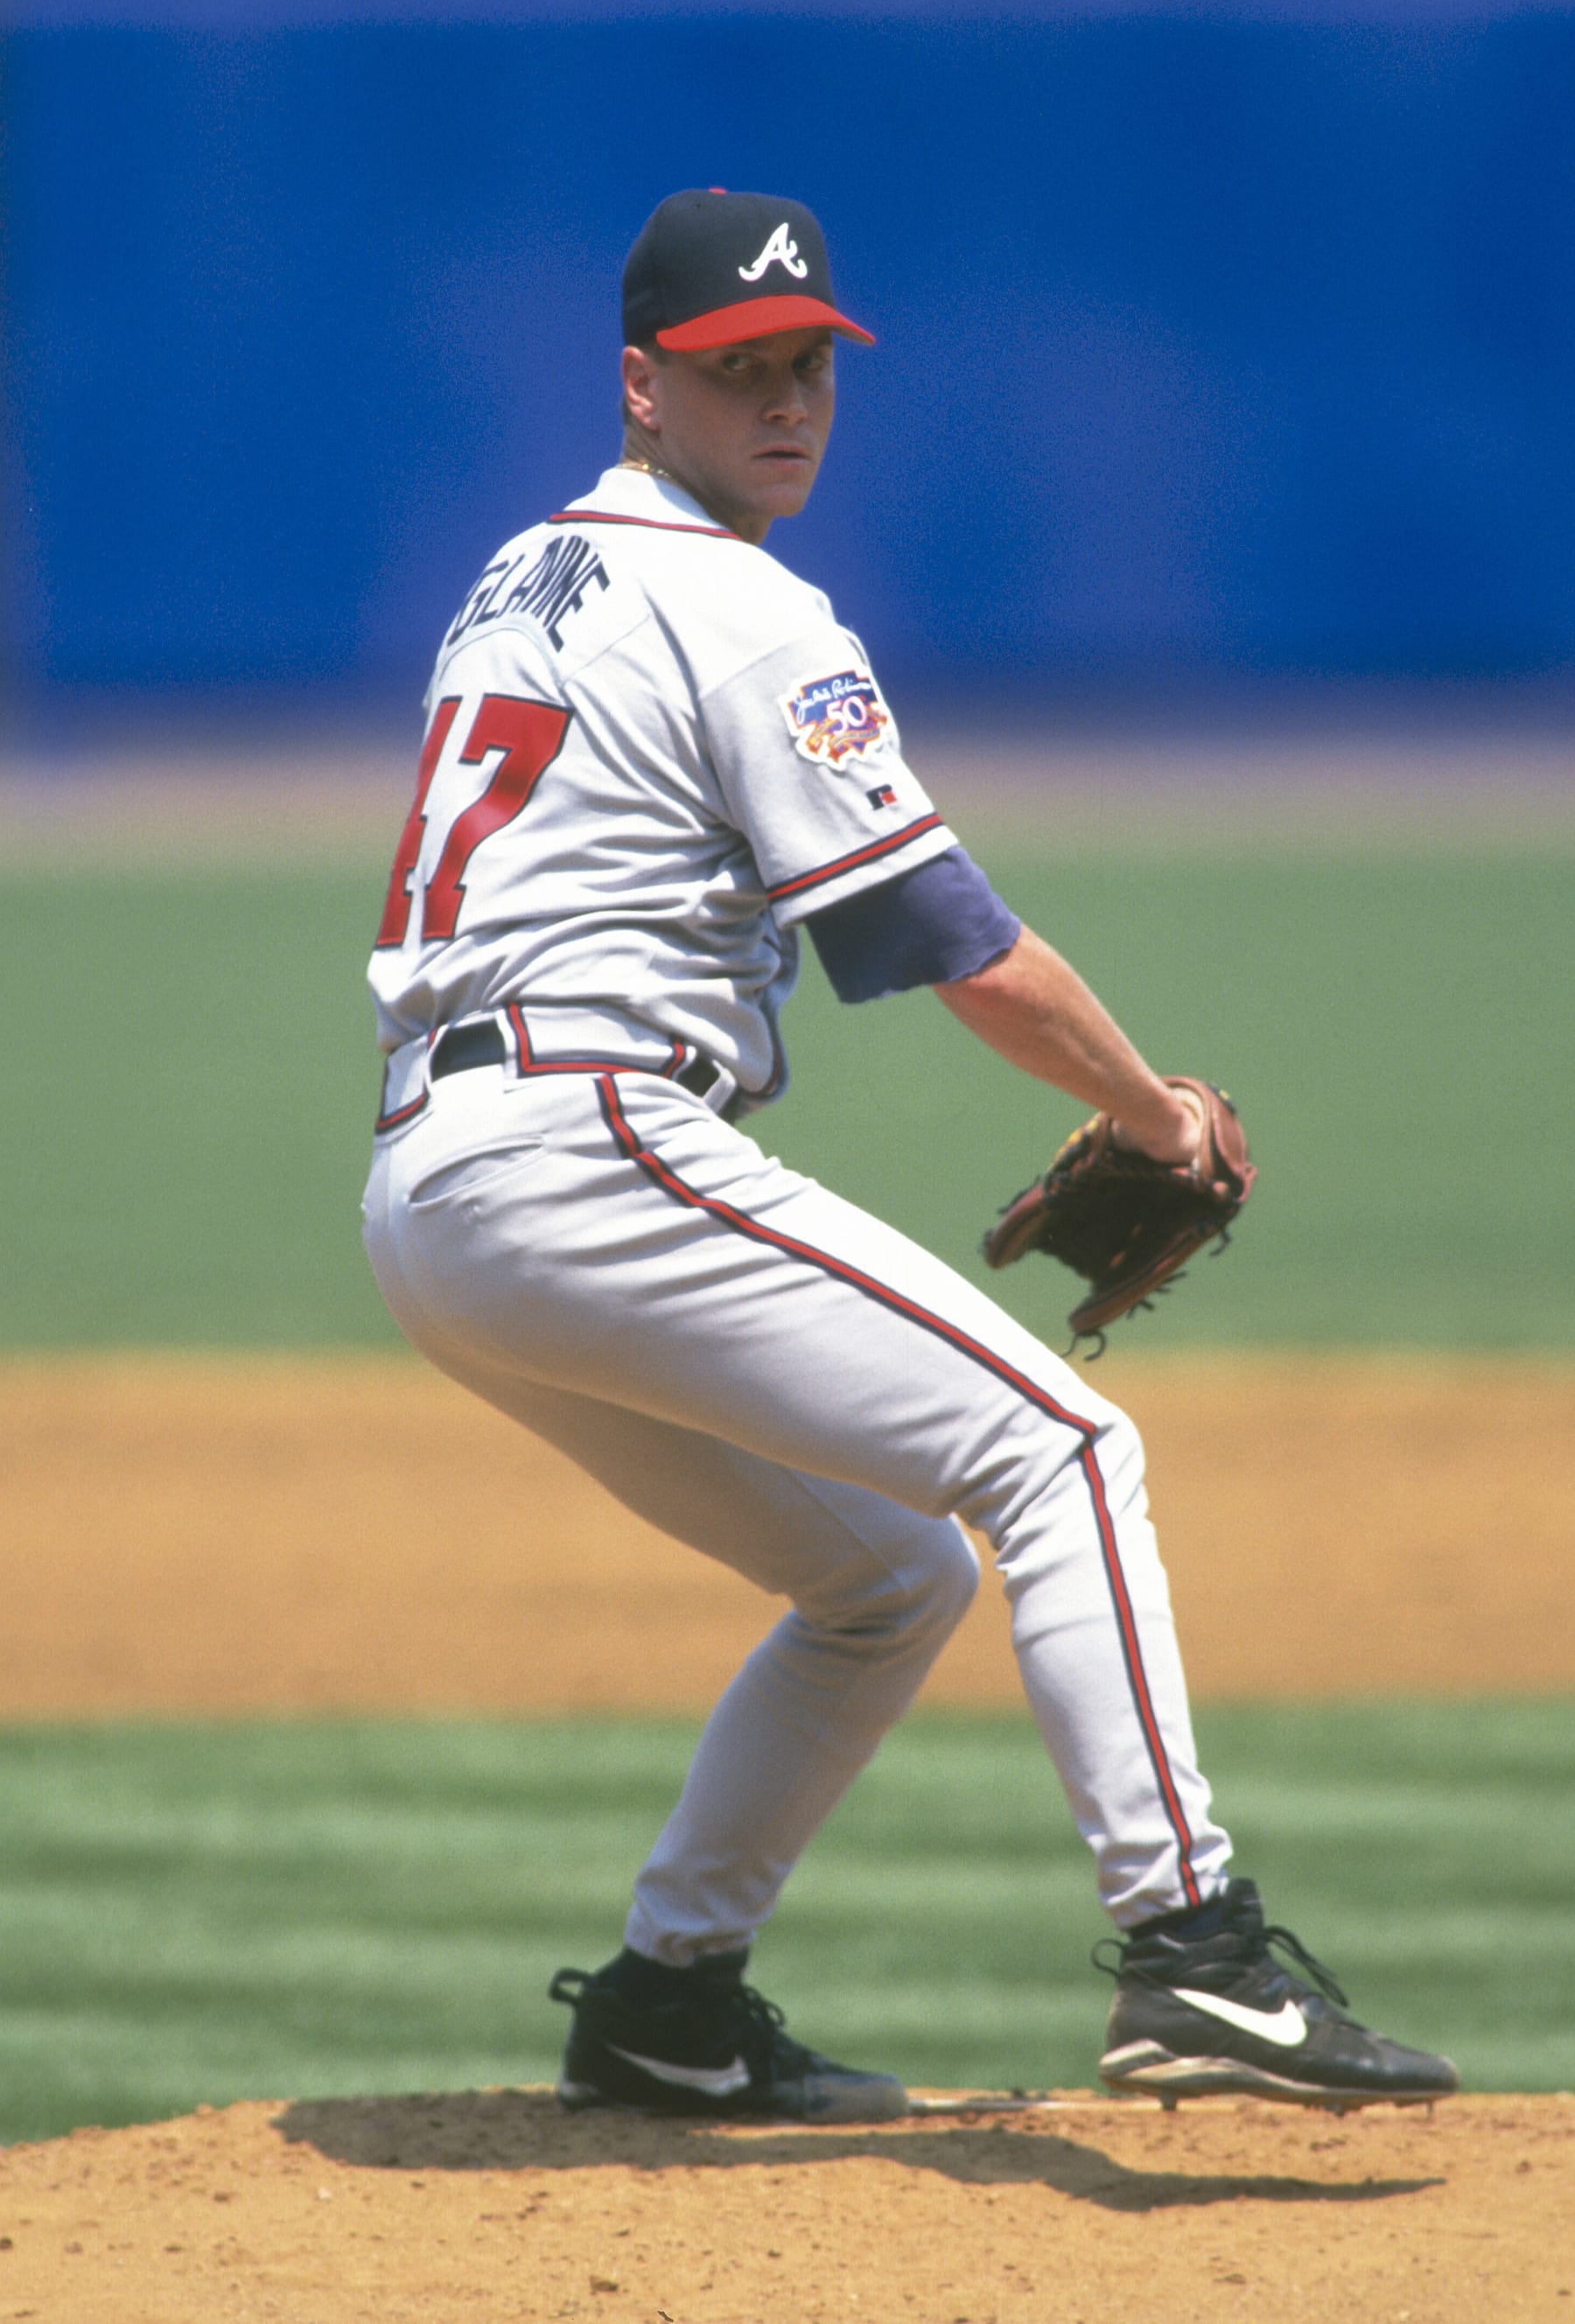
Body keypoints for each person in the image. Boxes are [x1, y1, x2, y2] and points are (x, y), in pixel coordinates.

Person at [361, 188, 1456, 2121]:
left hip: (440, 1190)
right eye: (733, 371)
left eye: (805, 367)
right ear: (643, 384)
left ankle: (665, 1997)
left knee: (884, 1580)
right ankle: (1195, 1946)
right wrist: (1159, 1114)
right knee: (1066, 1446)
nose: (783, 402)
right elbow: (948, 939)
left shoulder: (519, 568)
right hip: (585, 1135)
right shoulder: (748, 603)